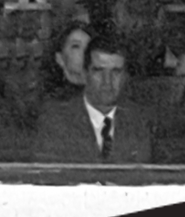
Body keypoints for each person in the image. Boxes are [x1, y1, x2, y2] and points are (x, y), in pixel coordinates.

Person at [32, 30, 155, 164]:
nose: (107, 82)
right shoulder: (55, 122)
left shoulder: (140, 122)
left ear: (125, 77)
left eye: (116, 72)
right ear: (85, 73)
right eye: (98, 71)